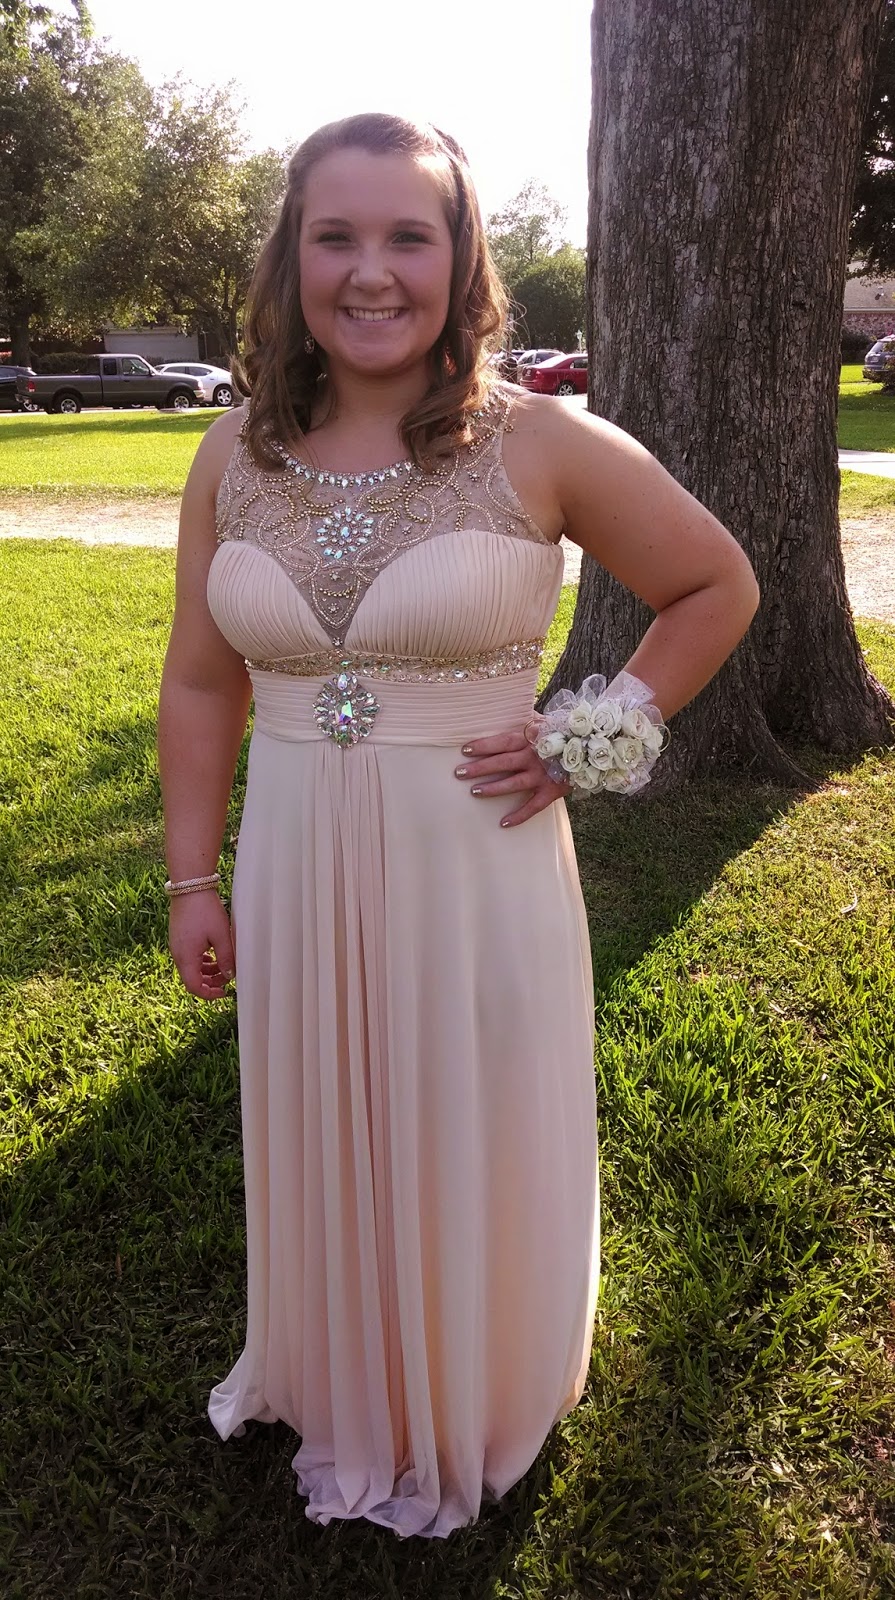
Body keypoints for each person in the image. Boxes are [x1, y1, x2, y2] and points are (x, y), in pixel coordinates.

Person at [157, 111, 759, 1539]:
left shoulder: (538, 441)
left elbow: (716, 586)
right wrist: (192, 878)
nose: (371, 271)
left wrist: (593, 734)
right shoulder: (233, 454)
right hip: (292, 856)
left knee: (461, 1113)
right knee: (324, 1107)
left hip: (473, 861)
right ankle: (340, 1364)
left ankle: (474, 1380)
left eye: (407, 237)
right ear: (292, 258)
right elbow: (200, 678)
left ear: (460, 258)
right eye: (336, 236)